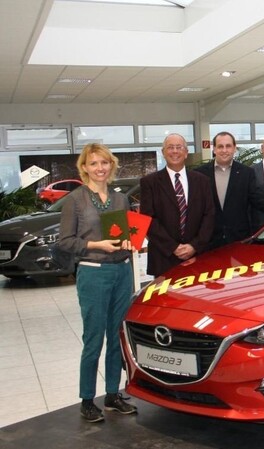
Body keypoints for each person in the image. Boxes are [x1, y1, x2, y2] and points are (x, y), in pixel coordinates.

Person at [57, 143, 138, 422]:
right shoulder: (75, 200)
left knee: (117, 336)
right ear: (84, 168)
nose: (100, 168)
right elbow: (65, 242)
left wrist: (131, 244)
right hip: (93, 273)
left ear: (111, 166)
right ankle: (87, 399)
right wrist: (96, 244)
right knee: (94, 338)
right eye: (93, 164)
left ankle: (113, 394)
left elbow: (125, 236)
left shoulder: (120, 200)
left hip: (122, 272)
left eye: (104, 163)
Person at [195, 132, 264, 249]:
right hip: (209, 240)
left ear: (234, 148)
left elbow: (258, 199)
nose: (224, 150)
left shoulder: (246, 173)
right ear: (214, 149)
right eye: (220, 146)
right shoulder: (199, 174)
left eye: (228, 146)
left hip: (238, 239)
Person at [140, 133, 215, 277]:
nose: (175, 151)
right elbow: (148, 219)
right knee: (164, 299)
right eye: (170, 147)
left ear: (186, 153)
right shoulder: (149, 182)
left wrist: (194, 246)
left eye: (179, 147)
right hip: (164, 256)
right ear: (163, 153)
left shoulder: (202, 181)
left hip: (196, 256)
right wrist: (173, 247)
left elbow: (209, 215)